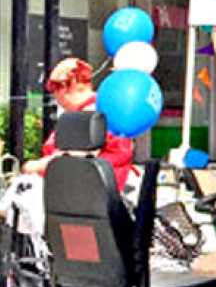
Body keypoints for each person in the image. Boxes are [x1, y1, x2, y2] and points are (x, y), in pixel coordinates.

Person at [22, 58, 133, 190]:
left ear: (67, 87)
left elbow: (72, 158)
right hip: (91, 191)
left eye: (54, 89)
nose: (54, 96)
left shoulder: (89, 116)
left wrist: (35, 166)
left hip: (87, 194)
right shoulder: (103, 109)